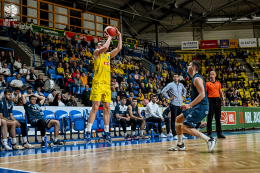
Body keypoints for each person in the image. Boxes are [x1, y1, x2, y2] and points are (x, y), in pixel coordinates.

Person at [169, 61, 217, 152]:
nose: (187, 66)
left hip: (201, 107)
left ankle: (209, 139)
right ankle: (180, 144)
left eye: (189, 65)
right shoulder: (194, 79)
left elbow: (202, 94)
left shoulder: (197, 79)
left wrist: (189, 105)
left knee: (184, 127)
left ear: (194, 68)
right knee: (178, 119)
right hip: (197, 106)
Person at [85, 27, 122, 144]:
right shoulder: (96, 53)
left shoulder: (108, 56)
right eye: (100, 44)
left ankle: (106, 132)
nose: (102, 45)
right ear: (97, 47)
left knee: (107, 108)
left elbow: (119, 48)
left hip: (106, 85)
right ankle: (88, 132)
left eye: (102, 43)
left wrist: (119, 36)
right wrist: (110, 37)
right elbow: (106, 47)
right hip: (97, 83)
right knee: (95, 107)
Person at [162, 73, 187, 139]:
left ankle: (180, 134)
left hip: (180, 104)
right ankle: (174, 134)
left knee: (180, 120)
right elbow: (163, 91)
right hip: (173, 104)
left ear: (179, 78)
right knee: (174, 120)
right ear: (173, 78)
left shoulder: (181, 85)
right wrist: (169, 98)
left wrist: (183, 96)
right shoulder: (170, 84)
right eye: (174, 77)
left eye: (177, 77)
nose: (176, 78)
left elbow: (185, 90)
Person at [206, 71, 226, 139]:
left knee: (218, 118)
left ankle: (219, 133)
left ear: (215, 75)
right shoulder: (207, 83)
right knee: (210, 118)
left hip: (218, 100)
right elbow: (205, 94)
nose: (211, 75)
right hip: (210, 100)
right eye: (210, 74)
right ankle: (209, 134)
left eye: (213, 74)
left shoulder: (218, 83)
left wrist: (223, 100)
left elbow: (221, 92)